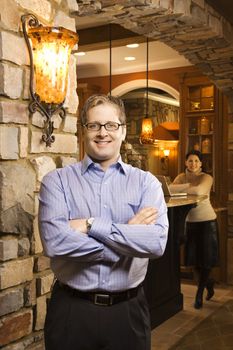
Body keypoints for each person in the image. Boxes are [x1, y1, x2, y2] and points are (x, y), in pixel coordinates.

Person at [38, 94, 169, 350]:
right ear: (83, 131)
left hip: (128, 313)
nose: (102, 133)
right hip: (71, 311)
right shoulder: (57, 182)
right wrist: (128, 236)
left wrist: (90, 224)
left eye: (111, 125)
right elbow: (55, 244)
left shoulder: (146, 183)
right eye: (94, 125)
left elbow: (155, 244)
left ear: (123, 131)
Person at [169, 150, 219, 309]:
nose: (193, 164)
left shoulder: (206, 177)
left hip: (207, 223)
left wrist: (183, 188)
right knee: (194, 262)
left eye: (196, 161)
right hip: (189, 223)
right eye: (190, 161)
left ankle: (199, 294)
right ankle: (209, 283)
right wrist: (188, 186)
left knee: (206, 260)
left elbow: (199, 191)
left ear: (201, 164)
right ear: (185, 163)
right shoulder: (180, 177)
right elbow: (169, 189)